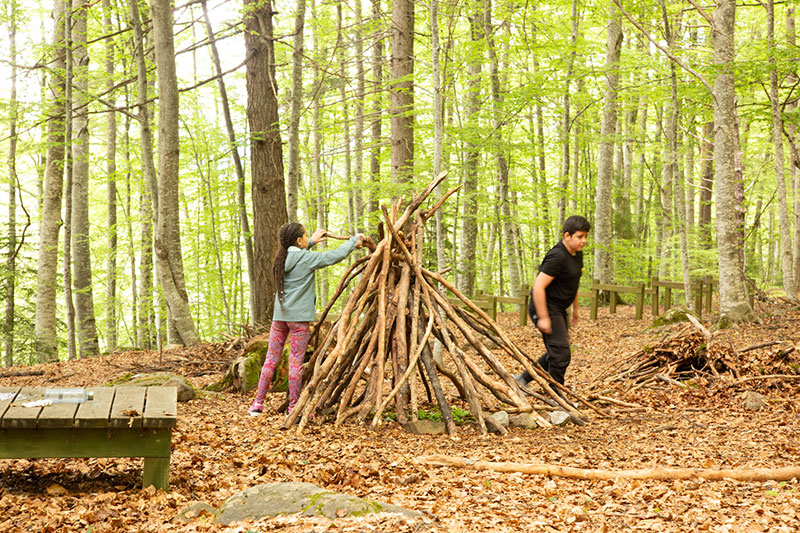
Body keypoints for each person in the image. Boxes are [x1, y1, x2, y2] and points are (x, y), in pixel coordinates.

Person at [249, 222, 364, 416]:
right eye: (305, 236)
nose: (307, 237)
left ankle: (257, 404)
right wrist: (354, 241)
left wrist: (310, 242)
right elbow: (333, 256)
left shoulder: (282, 257)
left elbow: (297, 256)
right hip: (299, 320)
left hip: (280, 318)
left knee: (270, 360)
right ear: (298, 240)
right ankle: (294, 406)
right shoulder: (306, 258)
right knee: (295, 362)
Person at [516, 215, 591, 393]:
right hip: (545, 307)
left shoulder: (577, 254)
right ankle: (556, 396)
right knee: (562, 353)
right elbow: (538, 287)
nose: (584, 241)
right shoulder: (557, 256)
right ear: (567, 236)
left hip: (558, 308)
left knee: (556, 350)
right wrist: (543, 317)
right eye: (580, 237)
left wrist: (575, 311)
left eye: (586, 237)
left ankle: (522, 379)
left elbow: (573, 284)